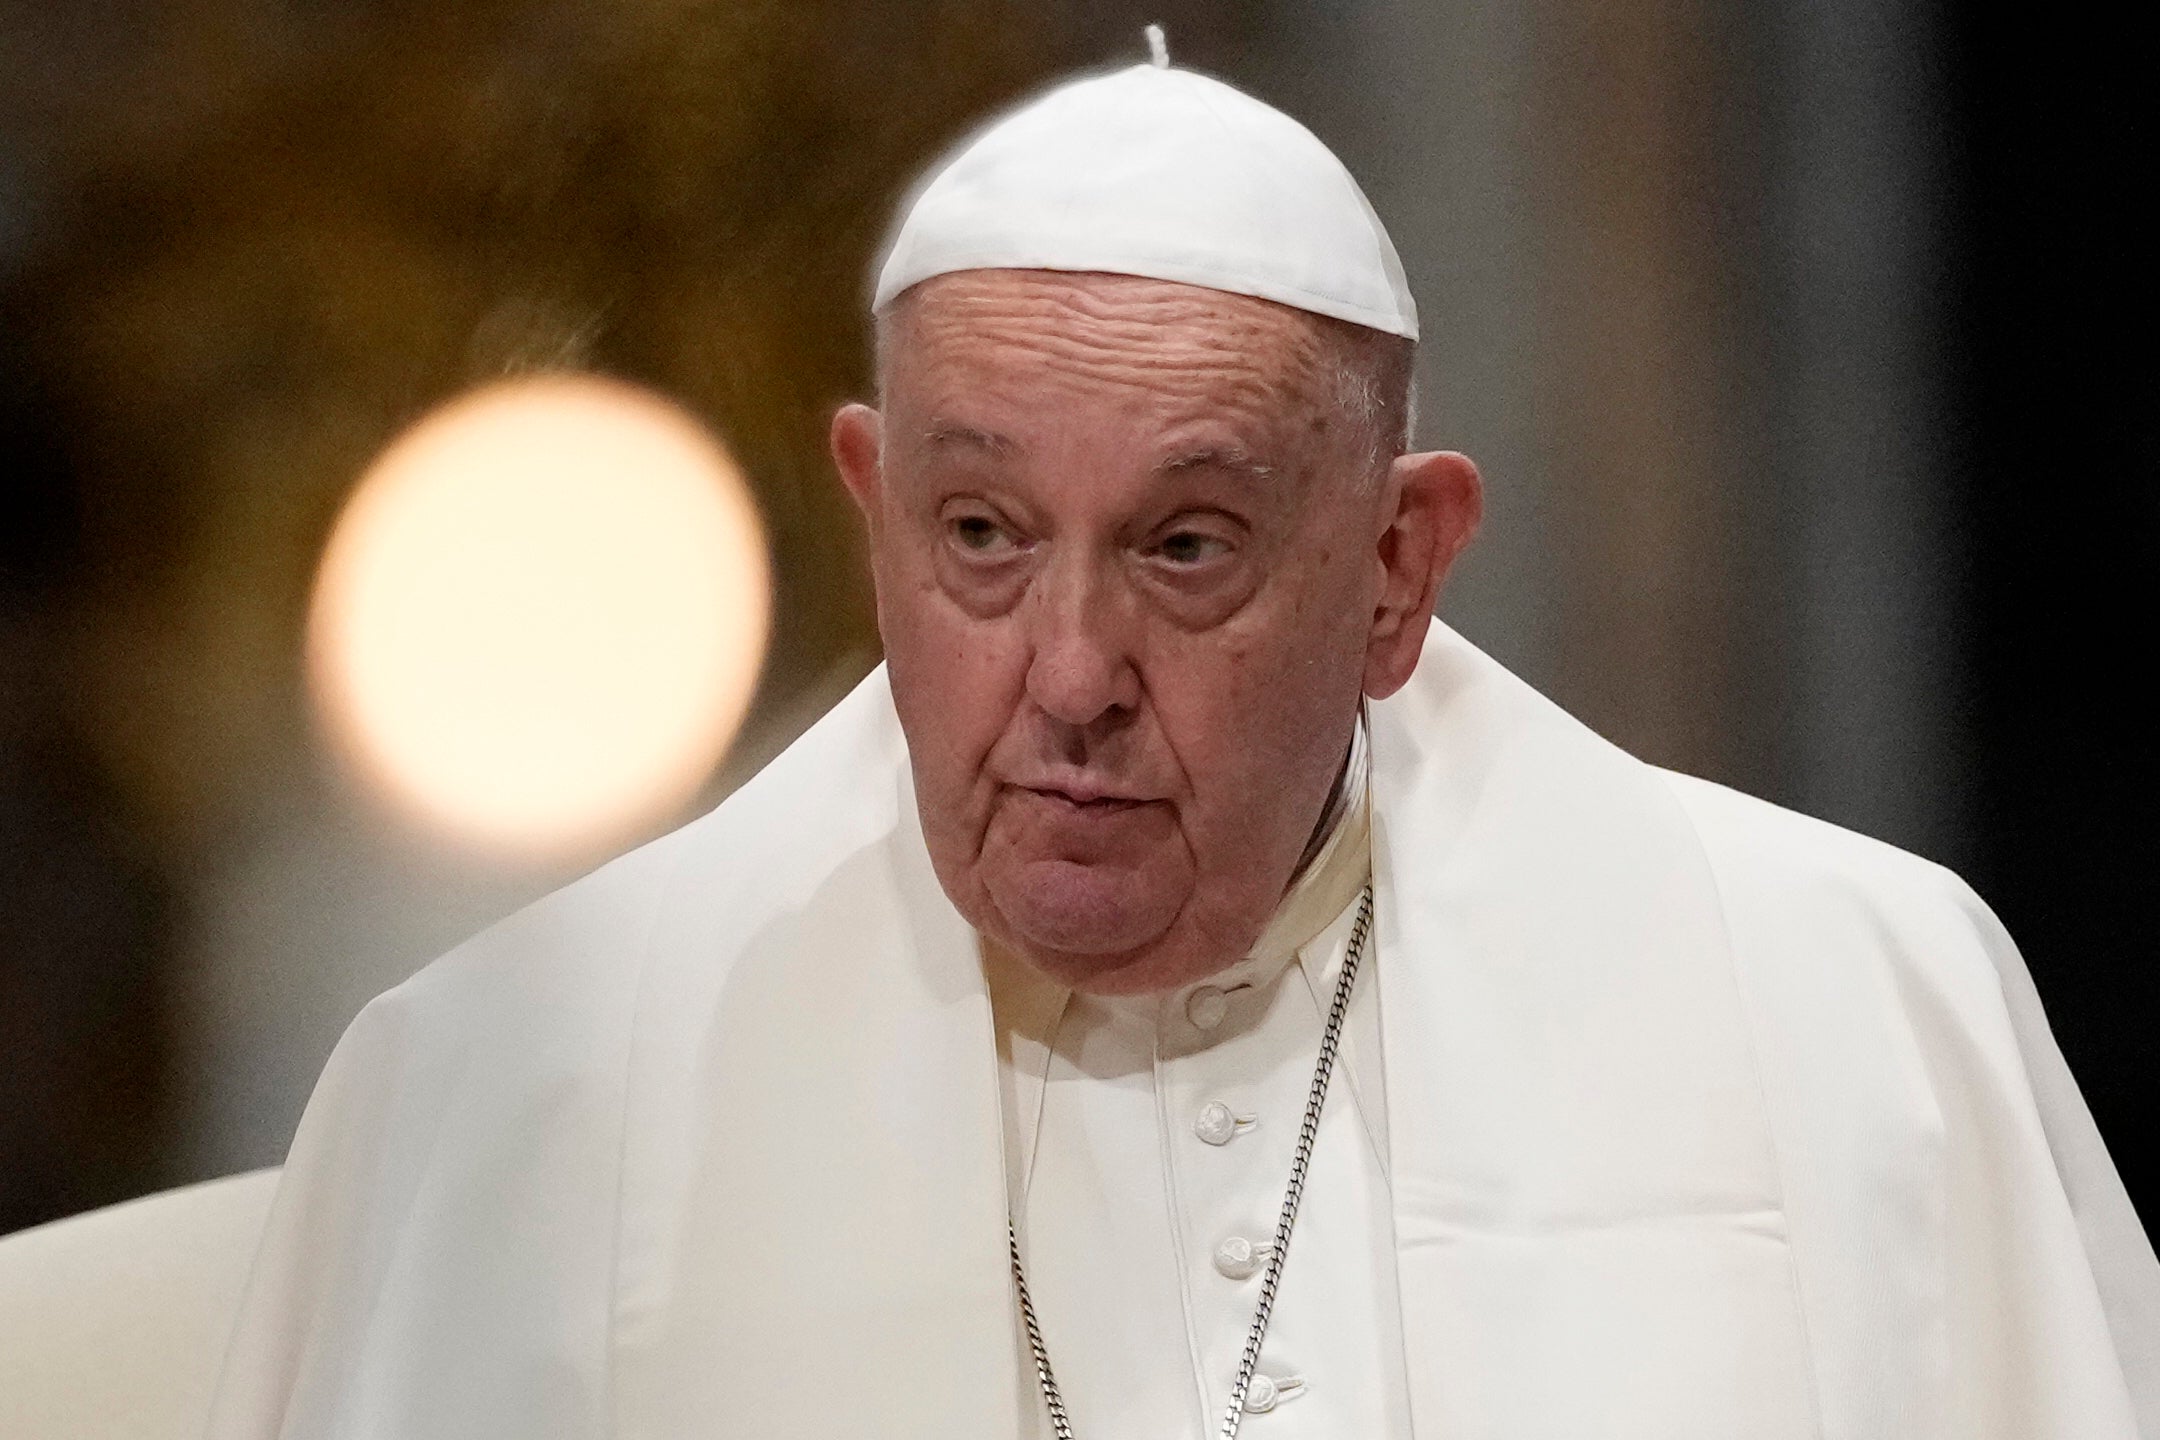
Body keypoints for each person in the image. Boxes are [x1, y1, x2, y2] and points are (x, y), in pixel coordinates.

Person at [207, 36, 2158, 1440]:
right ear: (873, 512)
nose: (1069, 672)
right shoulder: (517, 1102)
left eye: (1187, 546)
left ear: (1397, 569)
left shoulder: (1849, 1011)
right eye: (981, 537)